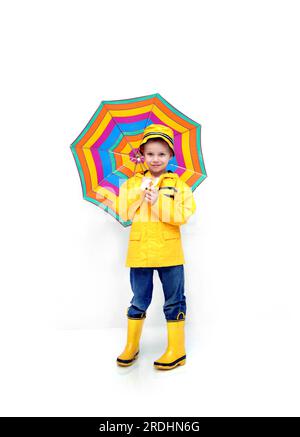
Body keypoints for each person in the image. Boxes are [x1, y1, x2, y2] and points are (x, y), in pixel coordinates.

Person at [116, 124, 197, 370]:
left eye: (162, 154)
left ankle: (177, 349)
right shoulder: (132, 183)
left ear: (171, 156)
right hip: (140, 253)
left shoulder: (178, 184)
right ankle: (132, 345)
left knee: (174, 300)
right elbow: (123, 212)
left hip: (169, 253)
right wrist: (140, 195)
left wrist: (158, 201)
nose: (156, 159)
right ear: (142, 155)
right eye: (150, 153)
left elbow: (183, 215)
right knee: (139, 299)